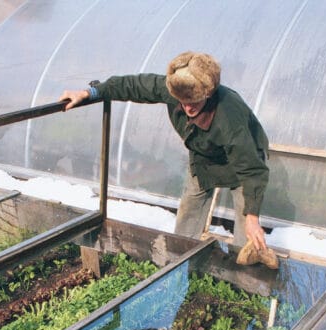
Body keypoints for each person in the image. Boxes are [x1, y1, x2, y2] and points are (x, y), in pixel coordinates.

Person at [60, 51, 270, 252]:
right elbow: (132, 86)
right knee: (189, 213)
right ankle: (182, 262)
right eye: (183, 102)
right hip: (204, 156)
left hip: (245, 161)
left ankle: (244, 276)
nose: (188, 108)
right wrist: (90, 93)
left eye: (194, 101)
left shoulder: (228, 116)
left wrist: (252, 217)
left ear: (208, 93)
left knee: (247, 229)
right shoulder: (176, 88)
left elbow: (251, 170)